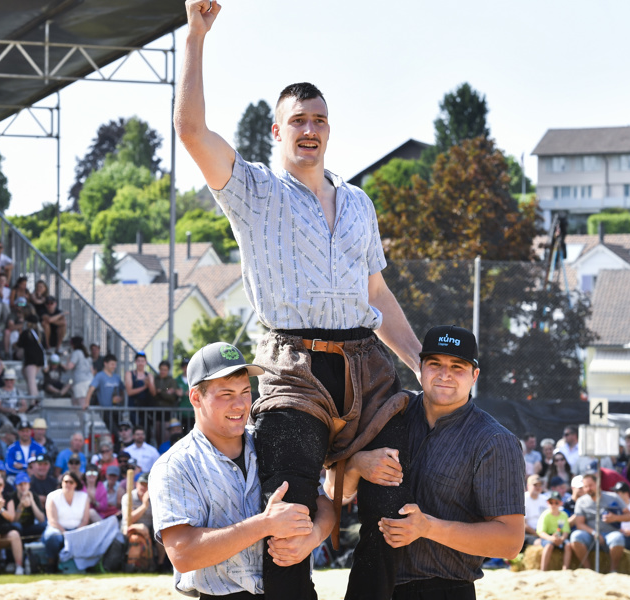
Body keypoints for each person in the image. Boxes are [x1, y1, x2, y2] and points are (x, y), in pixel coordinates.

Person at [177, 3, 422, 597]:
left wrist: (421, 363)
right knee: (289, 520)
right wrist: (195, 37)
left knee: (394, 513)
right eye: (298, 120)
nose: (309, 129)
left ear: (329, 130)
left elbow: (376, 292)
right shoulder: (255, 191)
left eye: (319, 119)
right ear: (277, 131)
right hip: (293, 367)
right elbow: (191, 131)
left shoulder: (359, 202)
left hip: (367, 369)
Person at [334, 325, 524, 599]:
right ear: (420, 368)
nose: (445, 374)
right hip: (368, 582)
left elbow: (510, 542)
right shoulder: (389, 414)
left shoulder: (494, 441)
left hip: (443, 589)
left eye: (457, 367)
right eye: (435, 364)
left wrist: (428, 528)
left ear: (474, 375)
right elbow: (333, 493)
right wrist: (356, 464)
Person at [151, 341, 331, 597]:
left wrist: (313, 537)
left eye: (245, 391)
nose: (240, 404)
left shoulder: (272, 441)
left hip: (293, 590)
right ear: (196, 397)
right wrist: (265, 524)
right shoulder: (175, 466)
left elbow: (324, 505)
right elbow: (183, 554)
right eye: (226, 394)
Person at [569, 472, 630, 572]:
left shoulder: (613, 497)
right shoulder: (581, 501)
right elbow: (579, 524)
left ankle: (613, 570)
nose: (588, 489)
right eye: (585, 487)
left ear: (598, 484)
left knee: (618, 538)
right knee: (576, 536)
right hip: (590, 535)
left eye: (590, 485)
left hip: (610, 533)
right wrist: (594, 533)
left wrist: (615, 518)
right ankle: (588, 570)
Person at [535, 491, 572, 571]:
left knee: (568, 545)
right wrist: (551, 538)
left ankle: (565, 570)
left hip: (559, 537)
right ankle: (543, 570)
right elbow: (541, 532)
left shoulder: (564, 515)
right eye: (551, 502)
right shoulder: (545, 515)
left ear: (561, 503)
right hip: (548, 537)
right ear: (547, 503)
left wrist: (562, 539)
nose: (553, 505)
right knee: (549, 546)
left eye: (556, 502)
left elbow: (566, 531)